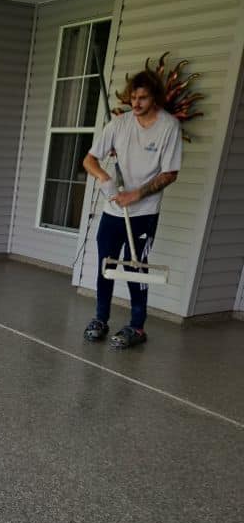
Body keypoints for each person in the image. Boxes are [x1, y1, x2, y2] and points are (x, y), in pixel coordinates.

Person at [82, 70, 182, 349]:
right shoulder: (119, 124)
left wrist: (135, 194)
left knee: (136, 269)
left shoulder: (168, 127)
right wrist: (105, 178)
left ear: (155, 98)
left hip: (144, 213)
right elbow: (89, 160)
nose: (136, 104)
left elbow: (170, 173)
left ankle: (137, 327)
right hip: (113, 212)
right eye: (133, 98)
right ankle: (101, 319)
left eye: (143, 98)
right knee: (107, 266)